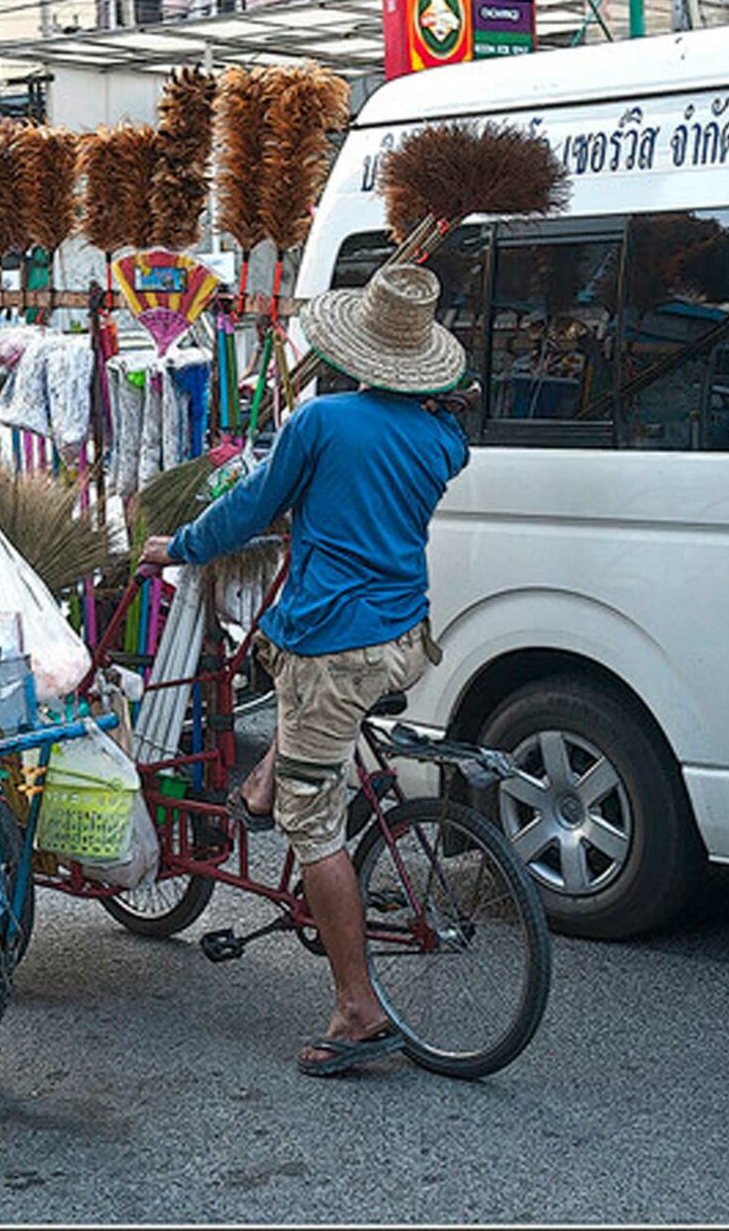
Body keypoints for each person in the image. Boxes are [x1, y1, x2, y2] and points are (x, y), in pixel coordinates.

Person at [140, 264, 471, 1078]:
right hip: (402, 635)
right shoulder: (441, 441)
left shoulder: (322, 421)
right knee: (301, 698)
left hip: (336, 643)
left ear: (357, 347)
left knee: (313, 821)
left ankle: (357, 1007)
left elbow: (253, 509)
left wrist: (177, 547)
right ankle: (262, 786)